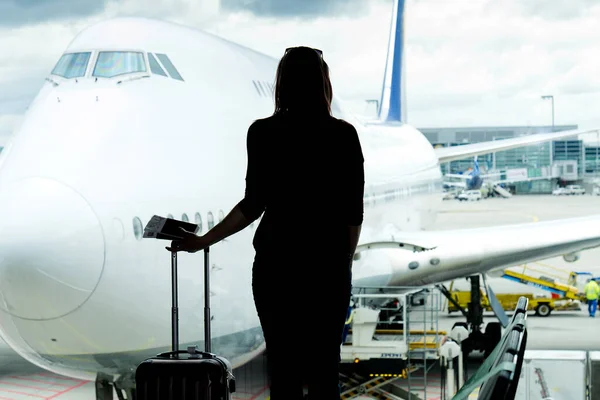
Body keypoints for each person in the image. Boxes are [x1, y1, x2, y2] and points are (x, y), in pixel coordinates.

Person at [167, 46, 365, 400]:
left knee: (283, 372)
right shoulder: (343, 135)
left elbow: (252, 205)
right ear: (324, 83)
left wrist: (203, 241)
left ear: (281, 83)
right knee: (324, 371)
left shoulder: (262, 133)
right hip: (328, 271)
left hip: (277, 271)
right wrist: (341, 262)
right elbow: (353, 213)